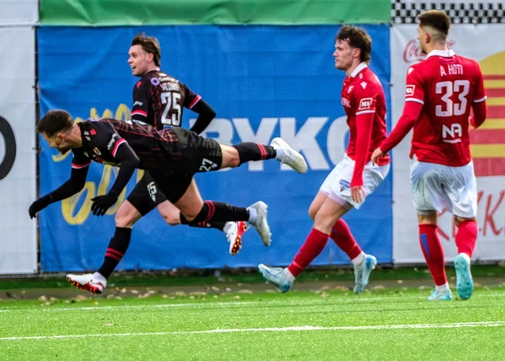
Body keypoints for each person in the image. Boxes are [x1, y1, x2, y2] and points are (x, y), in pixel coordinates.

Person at [30, 109, 308, 293]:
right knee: (195, 214)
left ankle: (277, 150)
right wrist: (43, 202)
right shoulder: (81, 148)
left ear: (60, 135)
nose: (50, 146)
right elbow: (76, 183)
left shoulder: (97, 133)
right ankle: (252, 214)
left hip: (178, 148)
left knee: (233, 158)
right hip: (163, 169)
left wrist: (113, 195)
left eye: (49, 140)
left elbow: (130, 159)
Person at [67, 34, 241, 296]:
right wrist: (187, 139)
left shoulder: (143, 84)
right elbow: (208, 112)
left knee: (128, 217)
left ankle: (100, 278)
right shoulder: (175, 83)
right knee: (169, 216)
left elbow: (139, 129)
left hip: (160, 159)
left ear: (149, 56)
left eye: (134, 55)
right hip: (174, 153)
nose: (129, 60)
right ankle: (229, 223)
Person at [259, 26, 386, 294]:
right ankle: (360, 260)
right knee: (315, 212)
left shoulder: (366, 86)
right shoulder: (350, 80)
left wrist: (357, 176)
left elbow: (366, 136)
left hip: (368, 163)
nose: (334, 53)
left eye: (340, 49)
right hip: (354, 157)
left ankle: (288, 276)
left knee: (324, 220)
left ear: (355, 52)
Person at [371, 10, 486, 301]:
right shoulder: (472, 67)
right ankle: (464, 256)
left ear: (425, 35)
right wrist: (468, 125)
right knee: (466, 218)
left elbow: (410, 117)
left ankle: (441, 288)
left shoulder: (419, 71)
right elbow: (481, 115)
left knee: (426, 220)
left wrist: (384, 146)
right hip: (459, 158)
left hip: (427, 159)